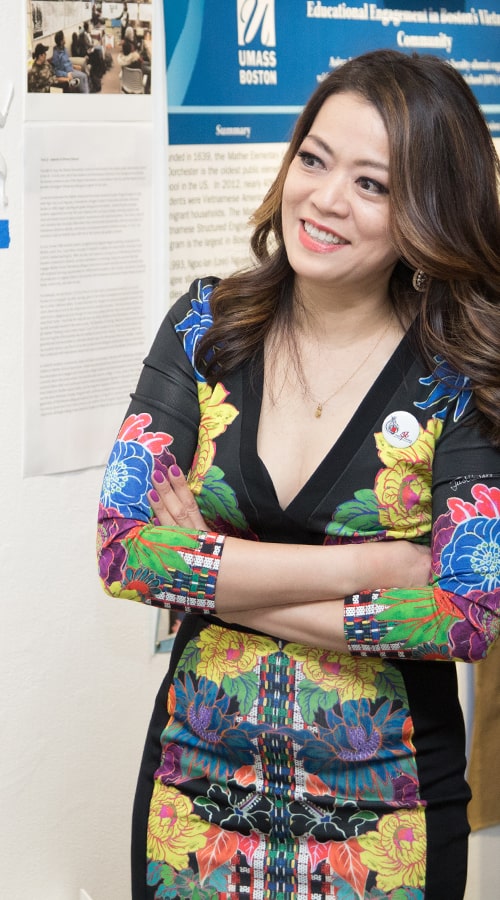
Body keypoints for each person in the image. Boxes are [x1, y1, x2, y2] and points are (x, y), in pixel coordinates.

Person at [97, 49, 500, 899]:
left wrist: (207, 571)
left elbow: (466, 617)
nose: (324, 199)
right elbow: (124, 553)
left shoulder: (458, 374)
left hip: (386, 822)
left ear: (426, 209)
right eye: (314, 160)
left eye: (373, 184)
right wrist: (371, 566)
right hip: (193, 798)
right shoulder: (205, 328)